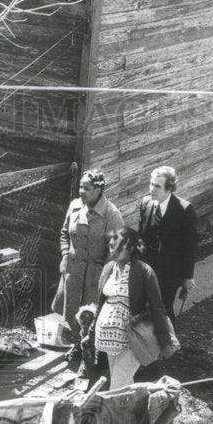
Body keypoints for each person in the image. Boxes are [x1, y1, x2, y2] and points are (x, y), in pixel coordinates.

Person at [92, 227, 176, 390]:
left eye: (118, 243)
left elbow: (157, 308)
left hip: (132, 339)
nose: (112, 245)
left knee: (116, 387)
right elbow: (100, 303)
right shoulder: (109, 268)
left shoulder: (144, 272)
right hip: (110, 341)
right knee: (123, 384)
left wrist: (165, 342)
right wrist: (90, 331)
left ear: (131, 248)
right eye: (111, 242)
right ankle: (135, 413)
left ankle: (113, 415)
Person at [57, 169, 124, 353]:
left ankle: (91, 352)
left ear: (98, 190)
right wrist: (64, 256)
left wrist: (105, 273)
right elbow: (64, 233)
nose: (81, 191)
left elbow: (118, 249)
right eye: (80, 187)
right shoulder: (74, 206)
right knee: (71, 312)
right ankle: (78, 345)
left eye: (86, 188)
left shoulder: (111, 214)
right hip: (73, 271)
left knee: (91, 315)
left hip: (96, 275)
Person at [138, 165, 198, 323]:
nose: (152, 189)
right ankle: (147, 342)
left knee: (163, 308)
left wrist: (187, 276)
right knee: (144, 306)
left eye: (157, 186)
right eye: (151, 184)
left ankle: (169, 343)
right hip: (147, 269)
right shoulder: (145, 204)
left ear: (169, 188)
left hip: (170, 273)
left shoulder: (184, 210)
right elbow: (141, 238)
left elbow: (189, 246)